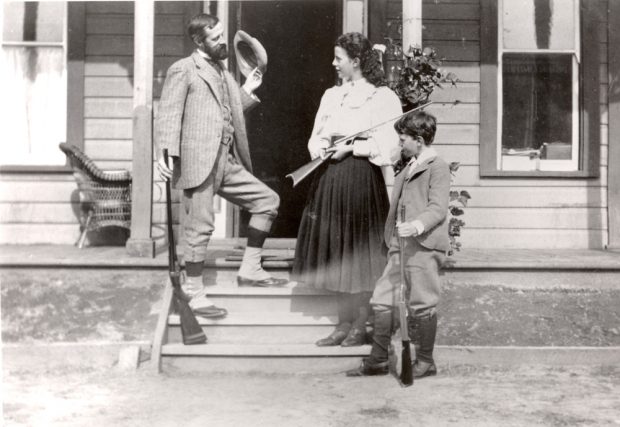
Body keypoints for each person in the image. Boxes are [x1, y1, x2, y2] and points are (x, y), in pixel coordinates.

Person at [156, 14, 287, 318]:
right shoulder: (184, 69)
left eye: (221, 35)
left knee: (267, 201)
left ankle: (251, 268)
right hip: (197, 161)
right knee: (200, 227)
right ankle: (193, 290)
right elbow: (169, 115)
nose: (221, 41)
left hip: (225, 162)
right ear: (199, 41)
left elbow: (228, 111)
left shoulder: (223, 71)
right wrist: (164, 155)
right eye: (214, 38)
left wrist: (249, 89)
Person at [292, 32, 402, 347]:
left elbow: (390, 145)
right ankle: (342, 324)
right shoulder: (332, 96)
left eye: (339, 58)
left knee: (360, 252)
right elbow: (316, 136)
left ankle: (361, 324)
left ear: (355, 61)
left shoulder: (382, 98)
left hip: (361, 181)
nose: (334, 63)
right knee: (339, 251)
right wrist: (323, 147)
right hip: (330, 180)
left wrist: (354, 149)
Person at [346, 110, 451, 378]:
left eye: (402, 139)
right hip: (399, 246)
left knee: (421, 303)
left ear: (418, 139)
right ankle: (379, 360)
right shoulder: (408, 167)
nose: (399, 144)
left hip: (423, 247)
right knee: (382, 299)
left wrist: (416, 225)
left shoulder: (437, 167)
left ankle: (426, 362)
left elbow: (438, 208)